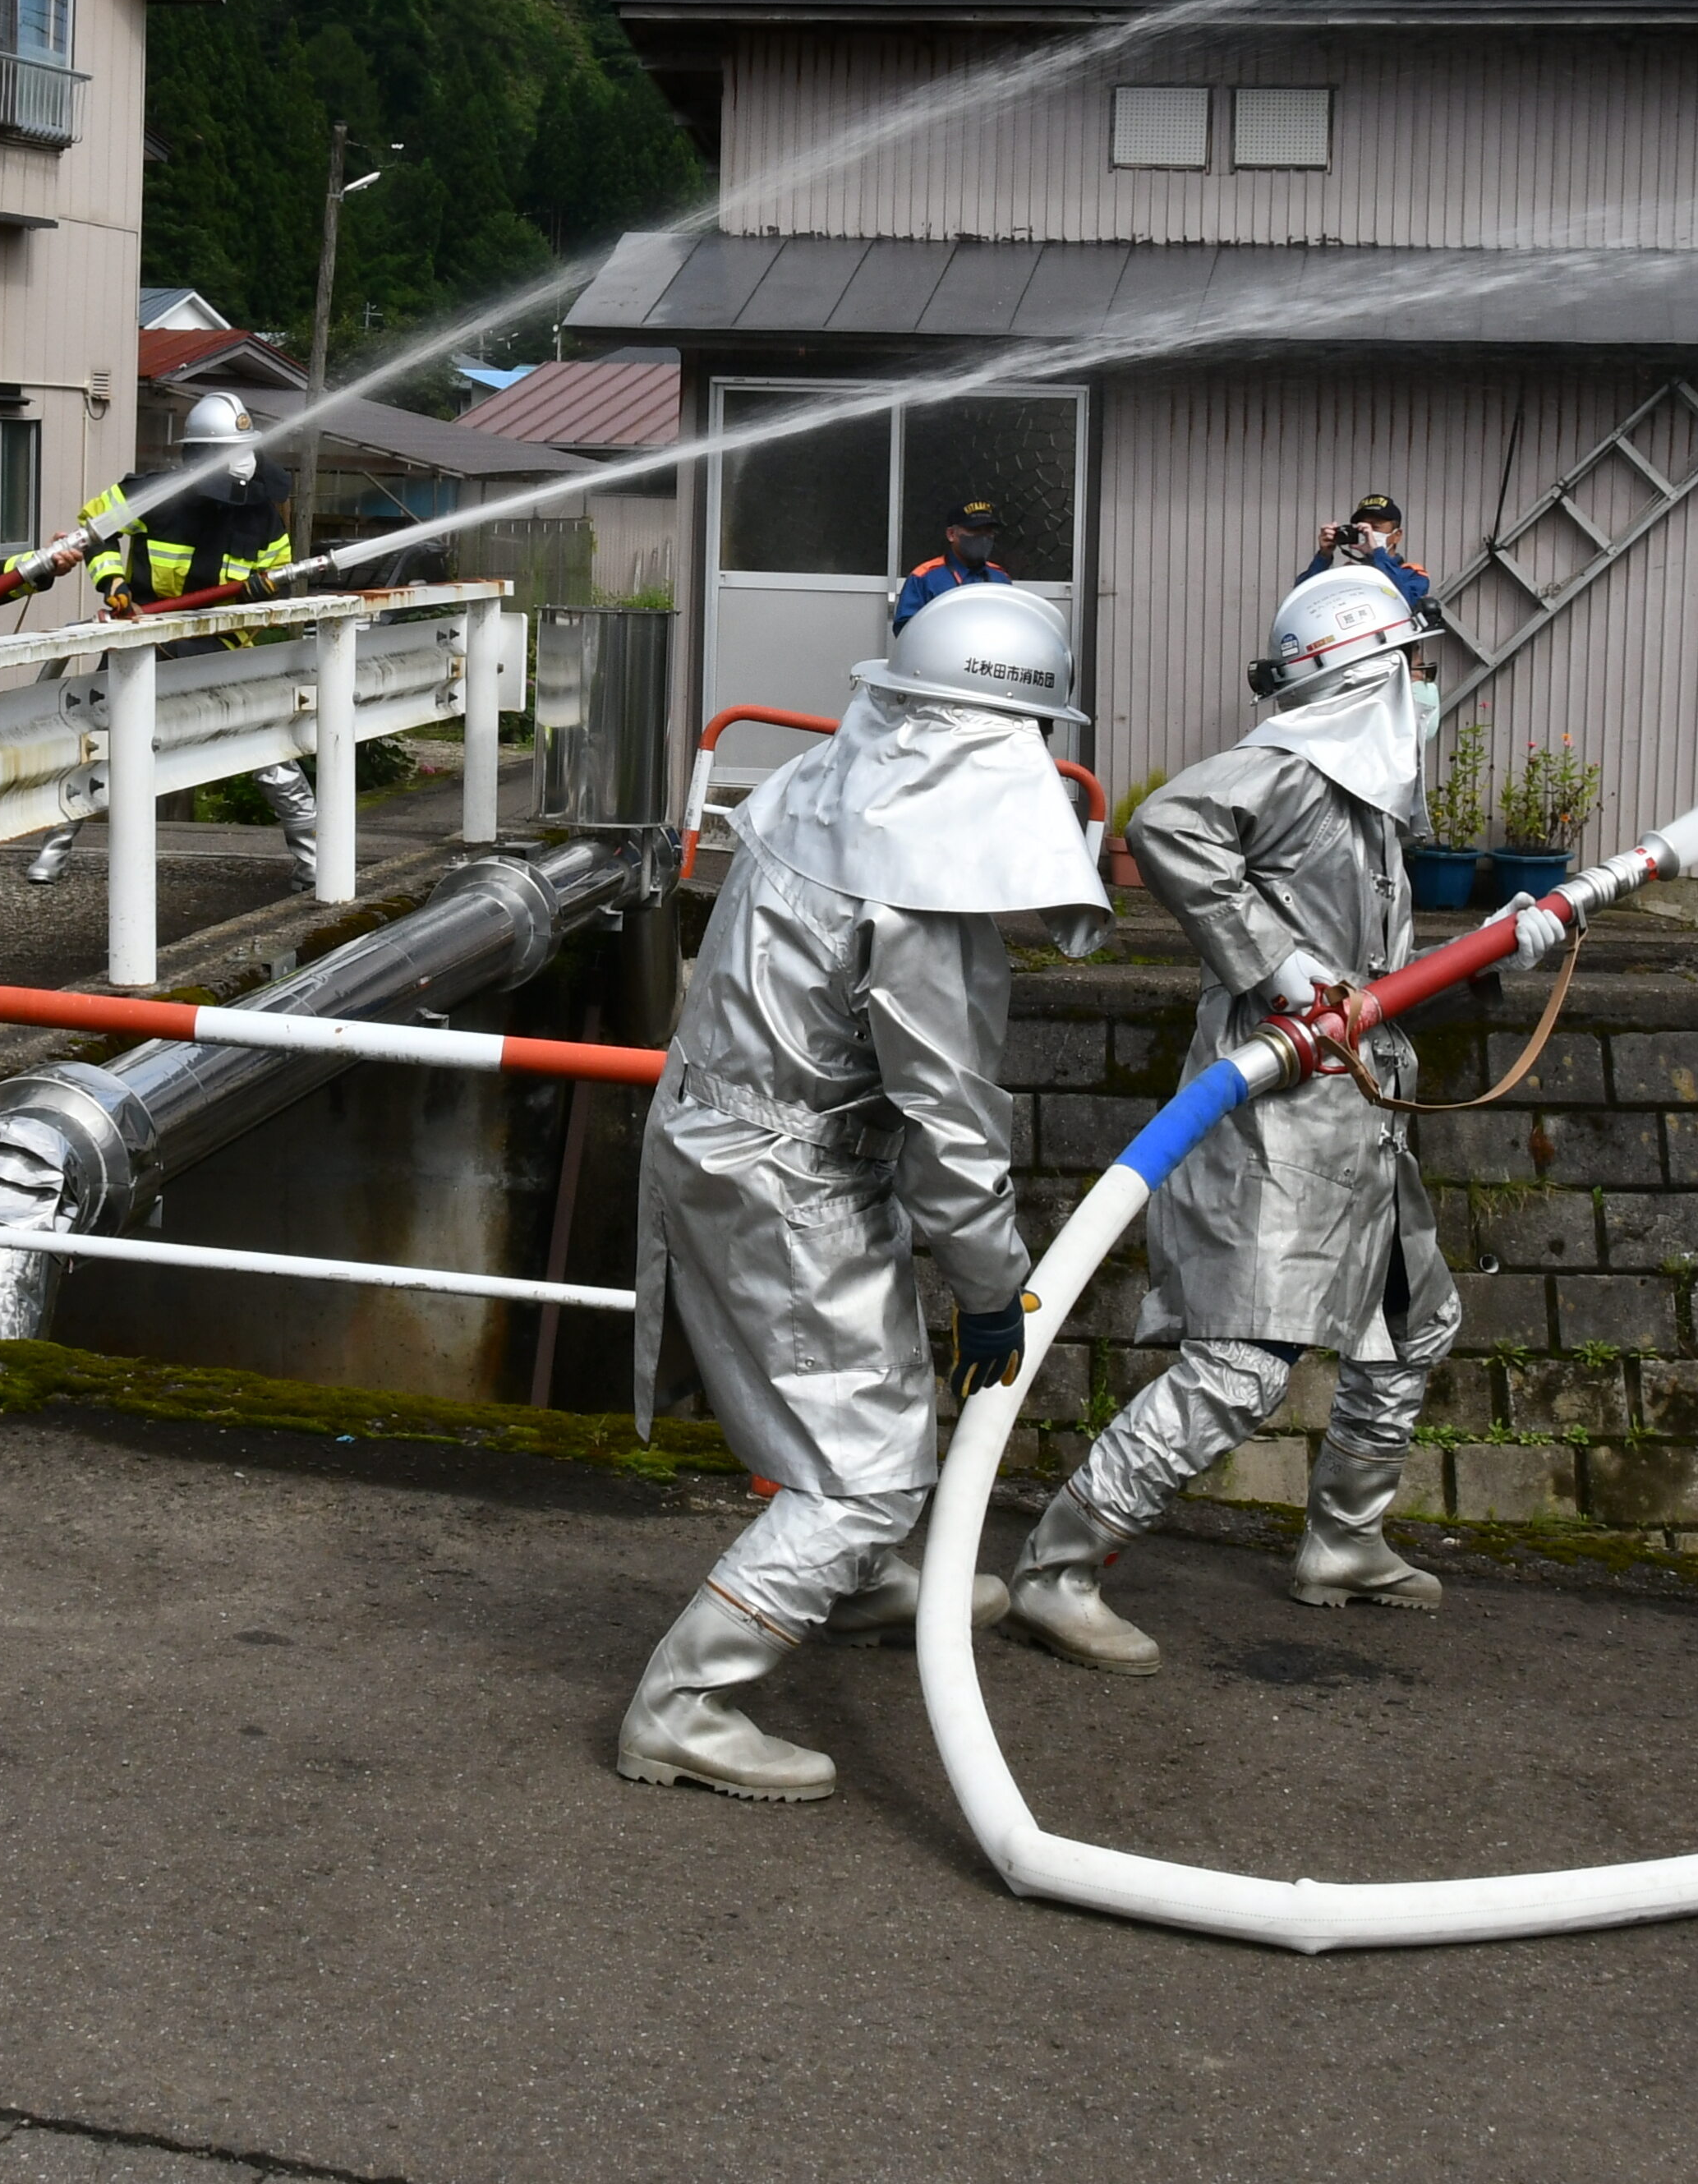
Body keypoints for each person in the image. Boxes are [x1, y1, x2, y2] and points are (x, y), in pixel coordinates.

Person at [615, 583, 1108, 1804]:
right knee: (865, 1469)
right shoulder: (922, 894)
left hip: (726, 1130)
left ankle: (856, 1580)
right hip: (790, 1175)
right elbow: (951, 1123)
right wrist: (996, 1290)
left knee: (877, 1380)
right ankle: (686, 1703)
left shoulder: (818, 793)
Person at [1010, 560, 1466, 1675]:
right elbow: (1168, 825)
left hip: (1358, 1114)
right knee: (1243, 1368)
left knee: (1413, 1324)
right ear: (1370, 670)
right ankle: (1058, 1568)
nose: (1425, 683)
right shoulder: (1295, 771)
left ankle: (1345, 1543)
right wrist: (1282, 968)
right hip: (1279, 1109)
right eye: (1414, 663)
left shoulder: (1354, 793)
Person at [21, 393, 319, 890]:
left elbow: (275, 575)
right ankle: (51, 855)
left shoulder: (262, 514)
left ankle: (314, 862)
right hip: (143, 638)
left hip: (219, 648)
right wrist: (113, 583)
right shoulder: (153, 497)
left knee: (268, 750)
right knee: (93, 743)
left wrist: (266, 589)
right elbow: (92, 532)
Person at [889, 496, 1015, 629]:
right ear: (951, 534)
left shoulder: (1000, 578)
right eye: (974, 530)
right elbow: (906, 630)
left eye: (988, 531)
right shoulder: (925, 577)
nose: (982, 538)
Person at [1303, 490, 1434, 610]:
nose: (1368, 533)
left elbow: (1405, 602)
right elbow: (1302, 600)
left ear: (1397, 536)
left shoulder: (1413, 573)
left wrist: (1377, 553)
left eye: (1375, 527)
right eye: (1364, 527)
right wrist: (1324, 556)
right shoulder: (1349, 573)